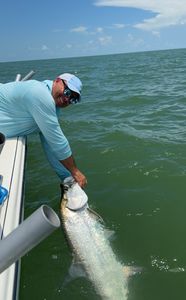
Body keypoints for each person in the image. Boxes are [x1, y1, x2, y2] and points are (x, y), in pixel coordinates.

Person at [0, 73, 87, 188]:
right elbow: (58, 142)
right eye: (67, 92)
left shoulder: (52, 107)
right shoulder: (40, 94)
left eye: (73, 99)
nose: (67, 99)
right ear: (57, 81)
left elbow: (51, 144)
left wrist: (66, 177)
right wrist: (76, 172)